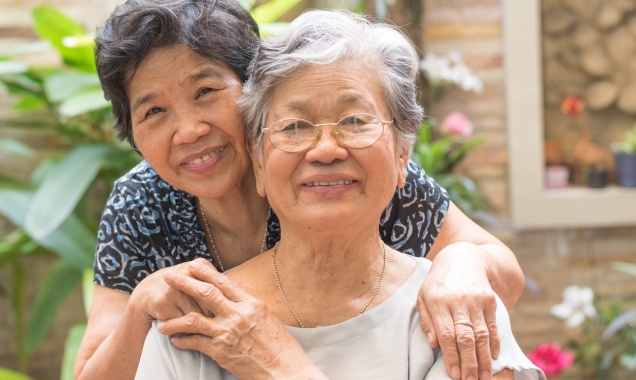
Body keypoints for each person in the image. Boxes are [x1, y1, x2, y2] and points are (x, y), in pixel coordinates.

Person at [75, 0, 525, 379]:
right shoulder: (141, 202)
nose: (189, 130)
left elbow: (502, 272)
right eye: (153, 111)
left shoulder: (356, 174)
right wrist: (140, 310)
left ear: (253, 91)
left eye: (206, 90)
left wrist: (461, 260)